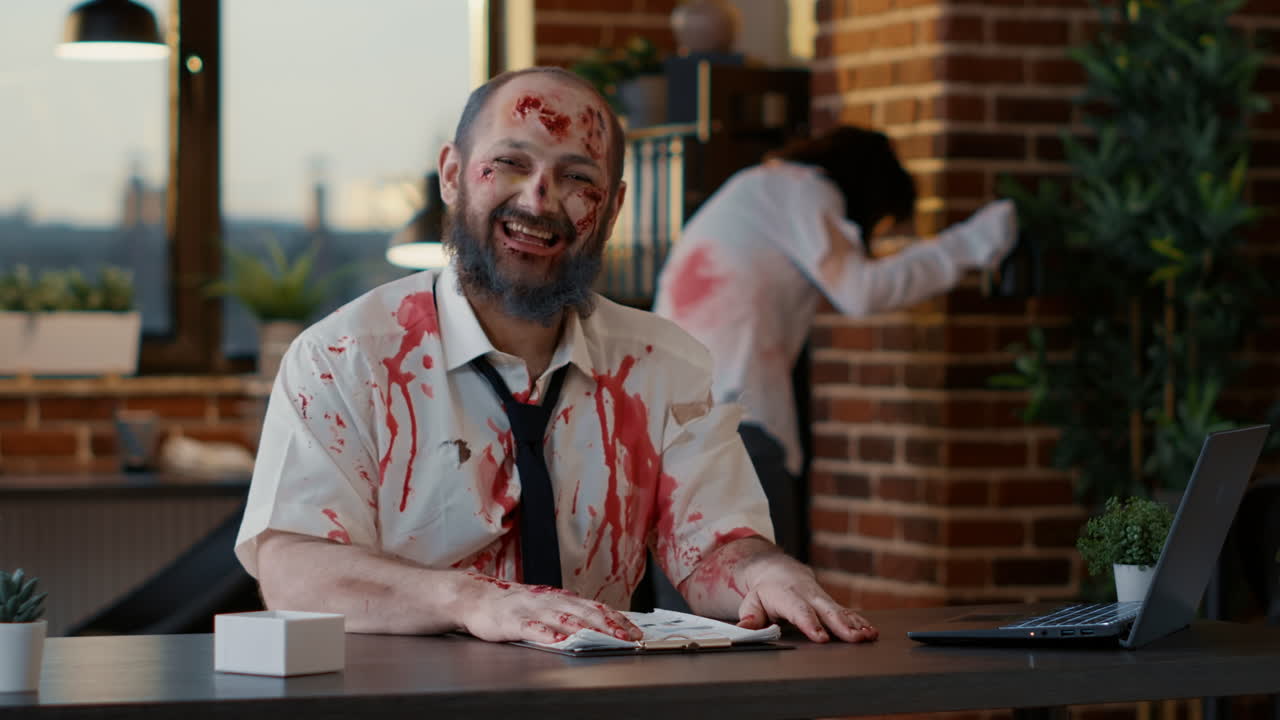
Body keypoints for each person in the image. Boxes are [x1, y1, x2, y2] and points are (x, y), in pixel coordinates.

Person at [234, 67, 879, 646]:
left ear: (613, 207)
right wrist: (473, 601)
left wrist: (765, 574)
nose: (538, 200)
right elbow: (293, 570)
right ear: (452, 175)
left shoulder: (664, 363)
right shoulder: (343, 358)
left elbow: (712, 549)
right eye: (510, 163)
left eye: (577, 178)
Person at [653, 126, 1017, 560]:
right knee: (761, 591)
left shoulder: (757, 190)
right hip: (733, 428)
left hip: (674, 432)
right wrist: (974, 241)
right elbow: (861, 290)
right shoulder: (805, 190)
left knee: (690, 597)